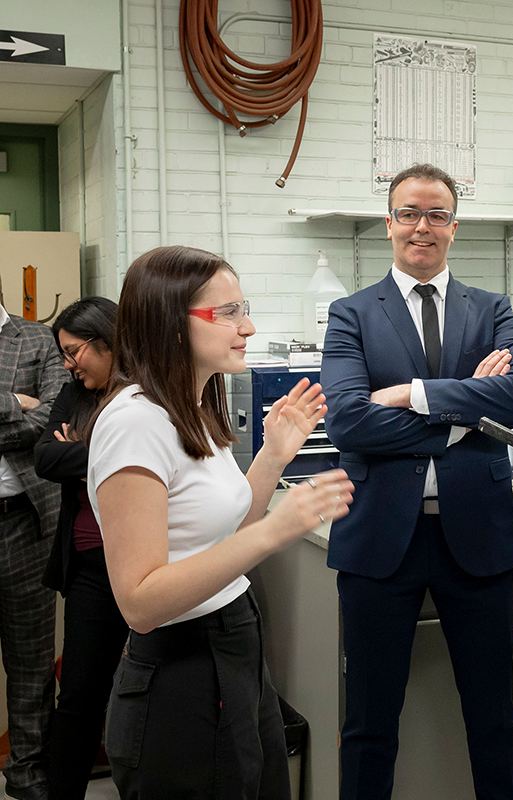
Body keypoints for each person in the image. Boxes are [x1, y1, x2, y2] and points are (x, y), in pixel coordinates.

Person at [88, 245, 354, 796]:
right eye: (228, 313)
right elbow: (140, 602)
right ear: (170, 322)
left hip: (235, 643)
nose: (248, 327)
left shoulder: (190, 408)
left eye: (243, 309)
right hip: (181, 670)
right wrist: (274, 532)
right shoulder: (135, 422)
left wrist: (273, 458)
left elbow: (222, 536)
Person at [321, 163, 513, 800]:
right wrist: (464, 417)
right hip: (379, 540)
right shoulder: (351, 313)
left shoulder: (491, 309)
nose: (423, 227)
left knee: (494, 718)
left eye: (437, 215)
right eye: (409, 213)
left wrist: (412, 394)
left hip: (477, 538)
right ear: (389, 223)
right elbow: (348, 421)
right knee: (368, 722)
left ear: (454, 226)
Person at [33, 297, 124, 800]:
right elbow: (46, 457)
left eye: (74, 351)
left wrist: (82, 448)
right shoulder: (74, 394)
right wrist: (107, 454)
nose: (69, 364)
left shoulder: (150, 393)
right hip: (90, 568)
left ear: (106, 340)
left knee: (156, 694)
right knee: (80, 696)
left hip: (152, 563)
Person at [0, 282, 71, 800]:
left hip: (24, 523)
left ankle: (28, 778)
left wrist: (30, 412)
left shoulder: (35, 339)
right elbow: (26, 416)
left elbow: (49, 420)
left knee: (31, 664)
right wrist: (12, 403)